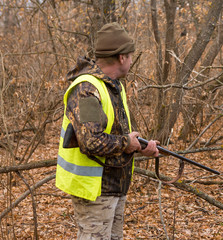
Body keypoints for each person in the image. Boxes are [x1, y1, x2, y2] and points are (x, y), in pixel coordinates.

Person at [55, 22, 159, 240]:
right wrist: (126, 143)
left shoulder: (113, 86)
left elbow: (115, 133)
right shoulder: (87, 89)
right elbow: (91, 141)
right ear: (122, 57)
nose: (131, 61)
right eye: (130, 56)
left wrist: (140, 146)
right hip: (95, 192)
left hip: (114, 187)